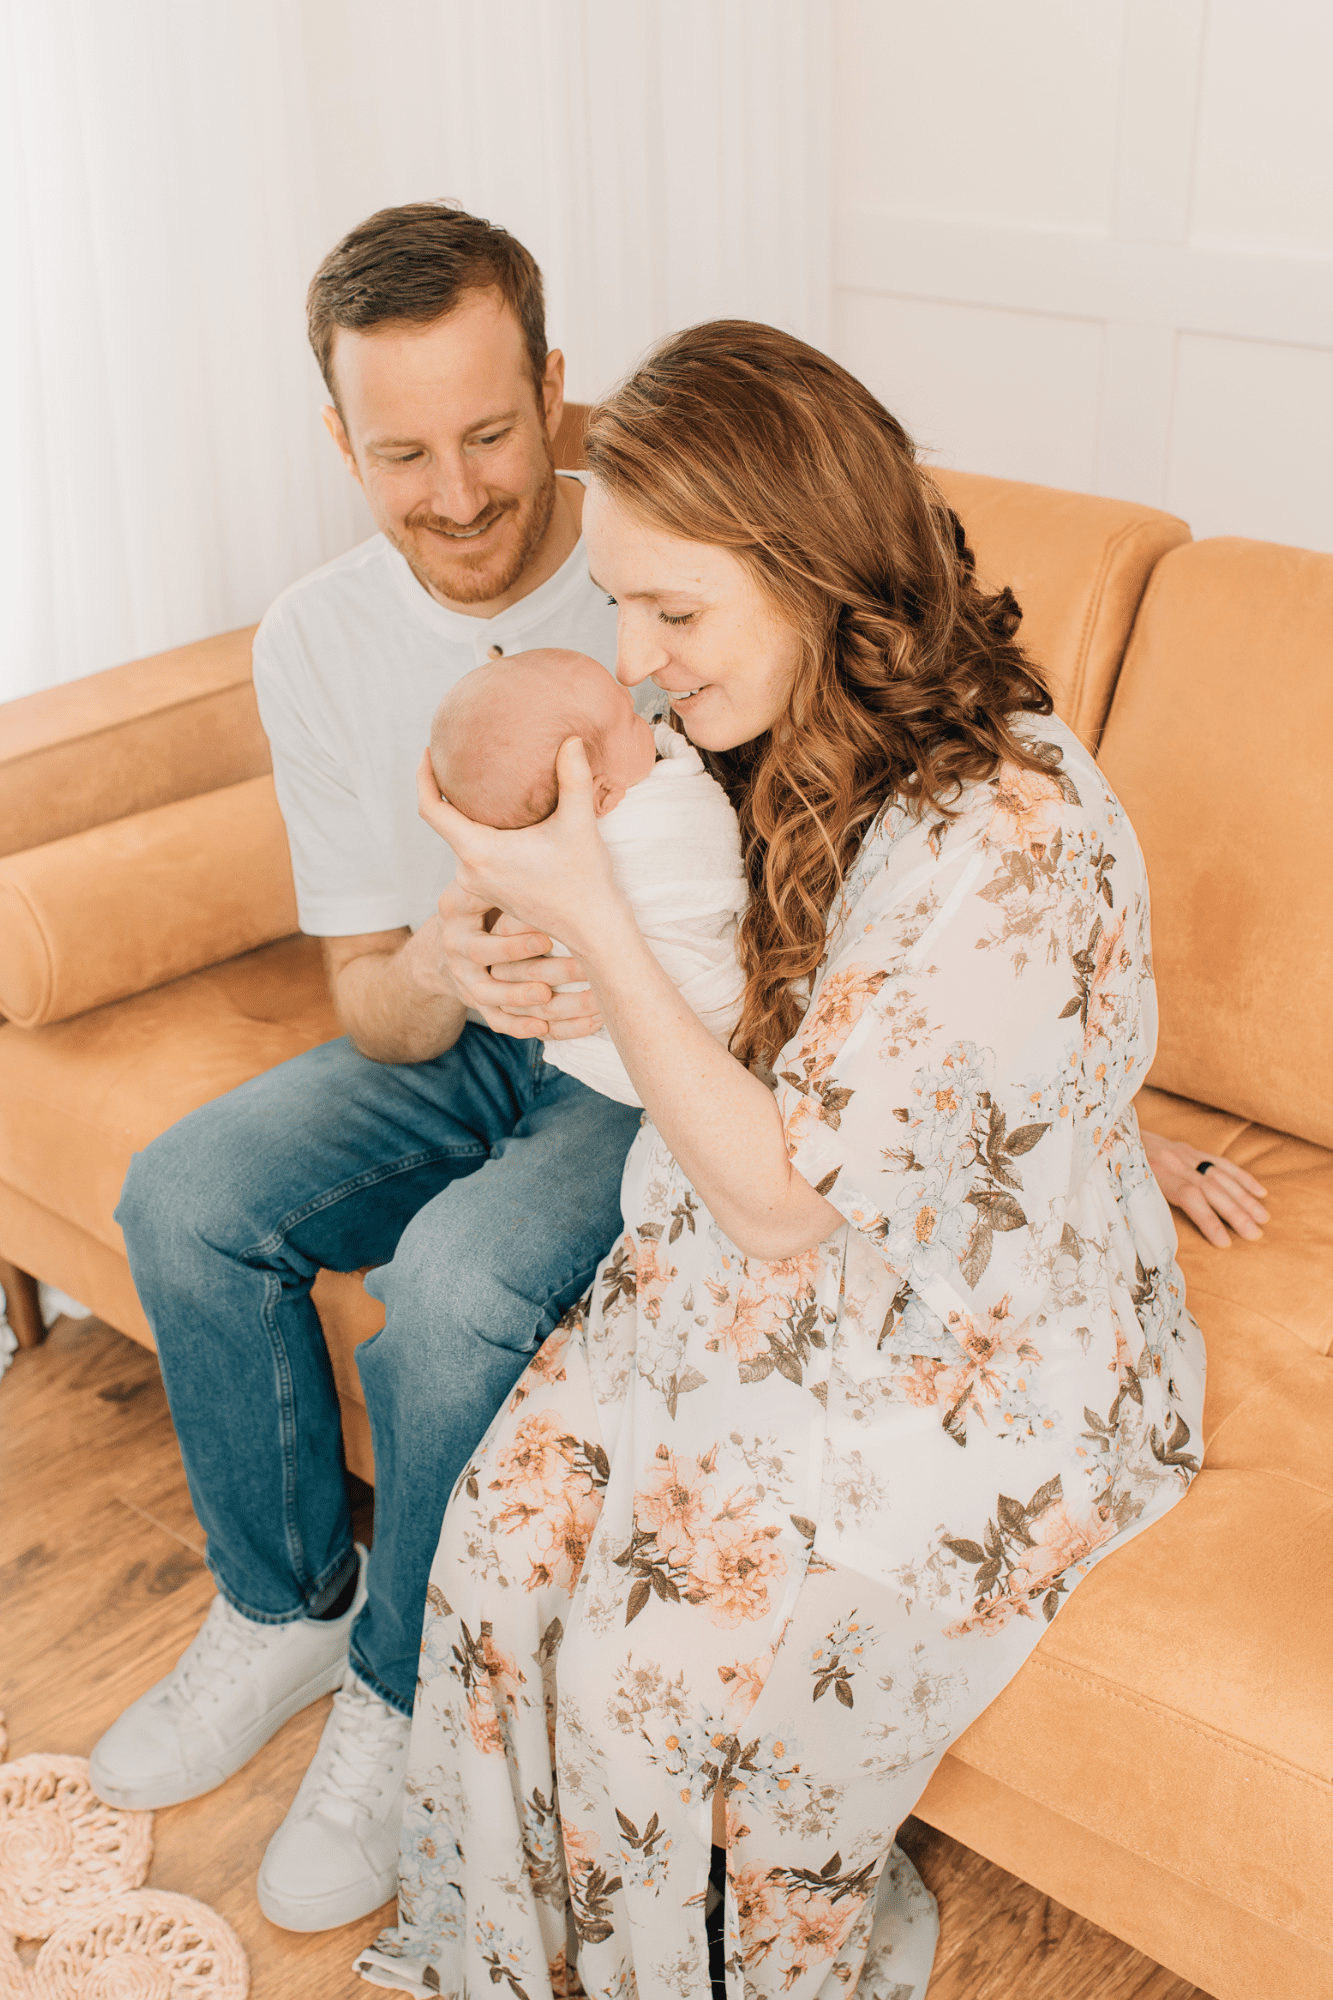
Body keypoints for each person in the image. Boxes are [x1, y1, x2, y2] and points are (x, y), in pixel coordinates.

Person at [356, 323, 1209, 2000]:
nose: (639, 659)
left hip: (970, 1354)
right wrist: (501, 944)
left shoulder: (1006, 829)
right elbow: (777, 1012)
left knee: (652, 1688)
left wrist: (587, 911)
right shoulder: (762, 737)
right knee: (504, 1534)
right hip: (768, 1246)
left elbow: (778, 1200)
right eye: (620, 603)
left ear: (822, 576)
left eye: (674, 611)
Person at [89, 203, 655, 1934]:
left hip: (644, 1064)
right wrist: (435, 962)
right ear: (337, 441)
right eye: (401, 453)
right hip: (467, 1032)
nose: (462, 493)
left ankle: (403, 1696)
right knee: (182, 1195)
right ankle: (286, 1613)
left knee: (458, 1277)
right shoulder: (314, 640)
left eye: (491, 434)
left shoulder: (664, 549)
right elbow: (363, 998)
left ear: (554, 391)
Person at [429, 649, 747, 1105]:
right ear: (597, 794)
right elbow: (706, 832)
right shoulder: (667, 804)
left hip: (653, 1063)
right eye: (631, 719)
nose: (641, 702)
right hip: (686, 1027)